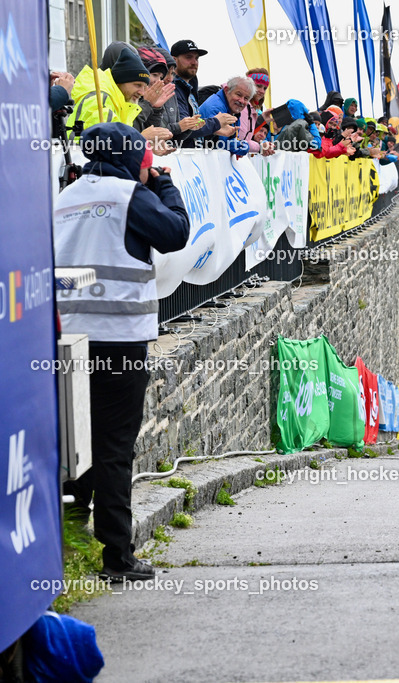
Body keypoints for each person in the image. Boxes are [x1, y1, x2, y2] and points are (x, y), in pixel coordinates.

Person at [54, 123, 190, 581]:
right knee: (113, 448)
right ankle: (117, 557)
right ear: (131, 157)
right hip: (120, 342)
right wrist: (165, 184)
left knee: (75, 442)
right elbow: (175, 233)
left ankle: (69, 536)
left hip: (67, 342)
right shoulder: (127, 194)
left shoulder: (64, 197)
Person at [170, 39, 236, 148]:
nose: (194, 62)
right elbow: (185, 126)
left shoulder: (189, 88)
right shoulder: (172, 88)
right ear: (174, 60)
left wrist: (214, 131)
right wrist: (216, 122)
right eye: (188, 57)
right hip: (180, 157)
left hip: (192, 156)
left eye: (196, 58)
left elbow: (193, 129)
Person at [198, 76, 274, 156]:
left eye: (246, 98)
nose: (241, 101)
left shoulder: (232, 108)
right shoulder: (216, 108)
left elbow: (234, 139)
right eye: (238, 95)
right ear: (227, 90)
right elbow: (223, 144)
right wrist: (252, 148)